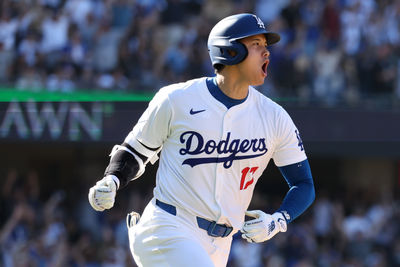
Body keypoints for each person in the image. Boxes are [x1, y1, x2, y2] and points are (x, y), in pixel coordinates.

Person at [88, 13, 315, 267]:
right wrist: (112, 179)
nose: (266, 53)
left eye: (266, 46)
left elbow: (303, 183)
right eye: (256, 45)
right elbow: (135, 151)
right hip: (168, 228)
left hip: (220, 244)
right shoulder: (177, 99)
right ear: (230, 52)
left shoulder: (275, 117)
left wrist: (278, 221)